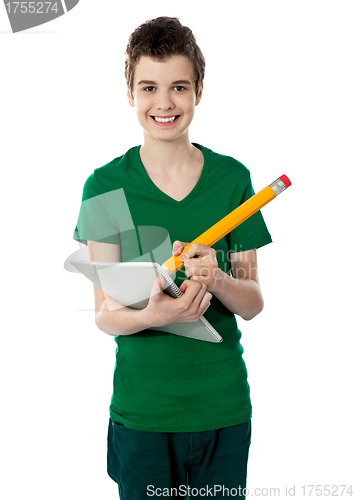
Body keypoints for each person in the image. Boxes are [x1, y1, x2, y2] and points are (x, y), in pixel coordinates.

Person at [73, 16, 272, 500]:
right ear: (130, 93)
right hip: (142, 415)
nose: (164, 103)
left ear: (198, 91)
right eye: (149, 87)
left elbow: (253, 302)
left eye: (179, 87)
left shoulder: (232, 180)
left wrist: (221, 279)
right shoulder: (104, 188)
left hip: (222, 410)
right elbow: (105, 316)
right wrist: (152, 314)